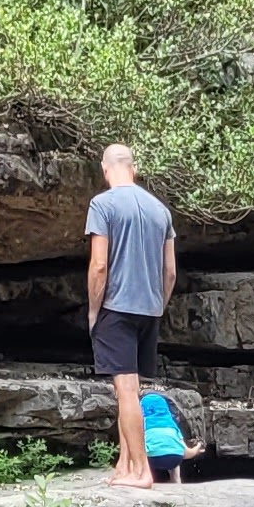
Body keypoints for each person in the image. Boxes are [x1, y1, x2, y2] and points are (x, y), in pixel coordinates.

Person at [85, 140, 178, 489]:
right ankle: (124, 464)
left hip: (117, 309)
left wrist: (94, 311)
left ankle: (142, 472)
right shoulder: (161, 210)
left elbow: (99, 266)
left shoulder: (103, 204)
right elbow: (170, 272)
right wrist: (159, 306)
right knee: (131, 391)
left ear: (105, 169)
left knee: (124, 391)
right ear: (134, 168)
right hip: (150, 310)